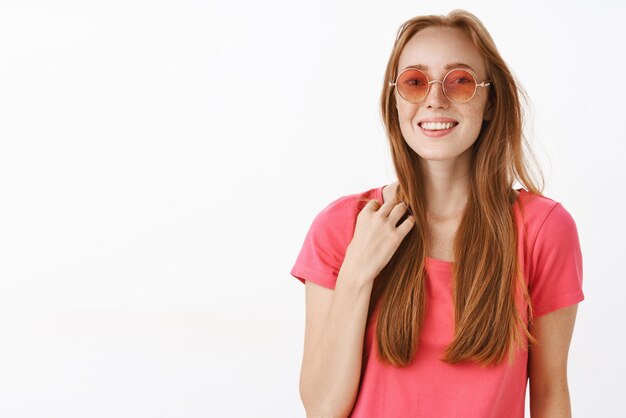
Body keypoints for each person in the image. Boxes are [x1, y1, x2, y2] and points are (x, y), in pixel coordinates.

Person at [290, 9, 584, 418]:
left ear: (490, 102)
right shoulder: (341, 227)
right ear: (394, 102)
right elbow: (322, 408)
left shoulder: (543, 230)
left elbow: (551, 396)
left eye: (459, 81)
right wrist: (357, 273)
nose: (434, 98)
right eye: (414, 82)